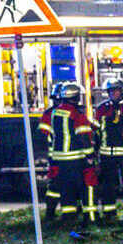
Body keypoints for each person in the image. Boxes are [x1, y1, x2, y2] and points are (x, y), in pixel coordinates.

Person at [39, 82, 96, 226]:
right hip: (75, 158)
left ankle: (68, 217)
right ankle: (88, 217)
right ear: (76, 97)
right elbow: (83, 137)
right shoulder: (77, 114)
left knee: (66, 189)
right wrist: (90, 156)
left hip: (59, 158)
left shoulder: (54, 113)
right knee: (83, 187)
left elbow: (49, 135)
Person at [92, 80, 123, 223]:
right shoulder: (101, 109)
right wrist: (95, 152)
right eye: (111, 91)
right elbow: (96, 132)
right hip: (107, 155)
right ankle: (108, 214)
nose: (114, 93)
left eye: (116, 90)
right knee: (108, 186)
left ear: (122, 91)